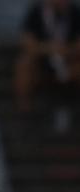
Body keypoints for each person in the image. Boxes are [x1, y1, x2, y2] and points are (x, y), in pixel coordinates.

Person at [15, 0, 80, 131]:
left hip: (68, 61)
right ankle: (25, 112)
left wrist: (65, 50)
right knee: (24, 64)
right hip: (43, 62)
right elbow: (28, 43)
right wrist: (50, 49)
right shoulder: (35, 12)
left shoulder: (75, 13)